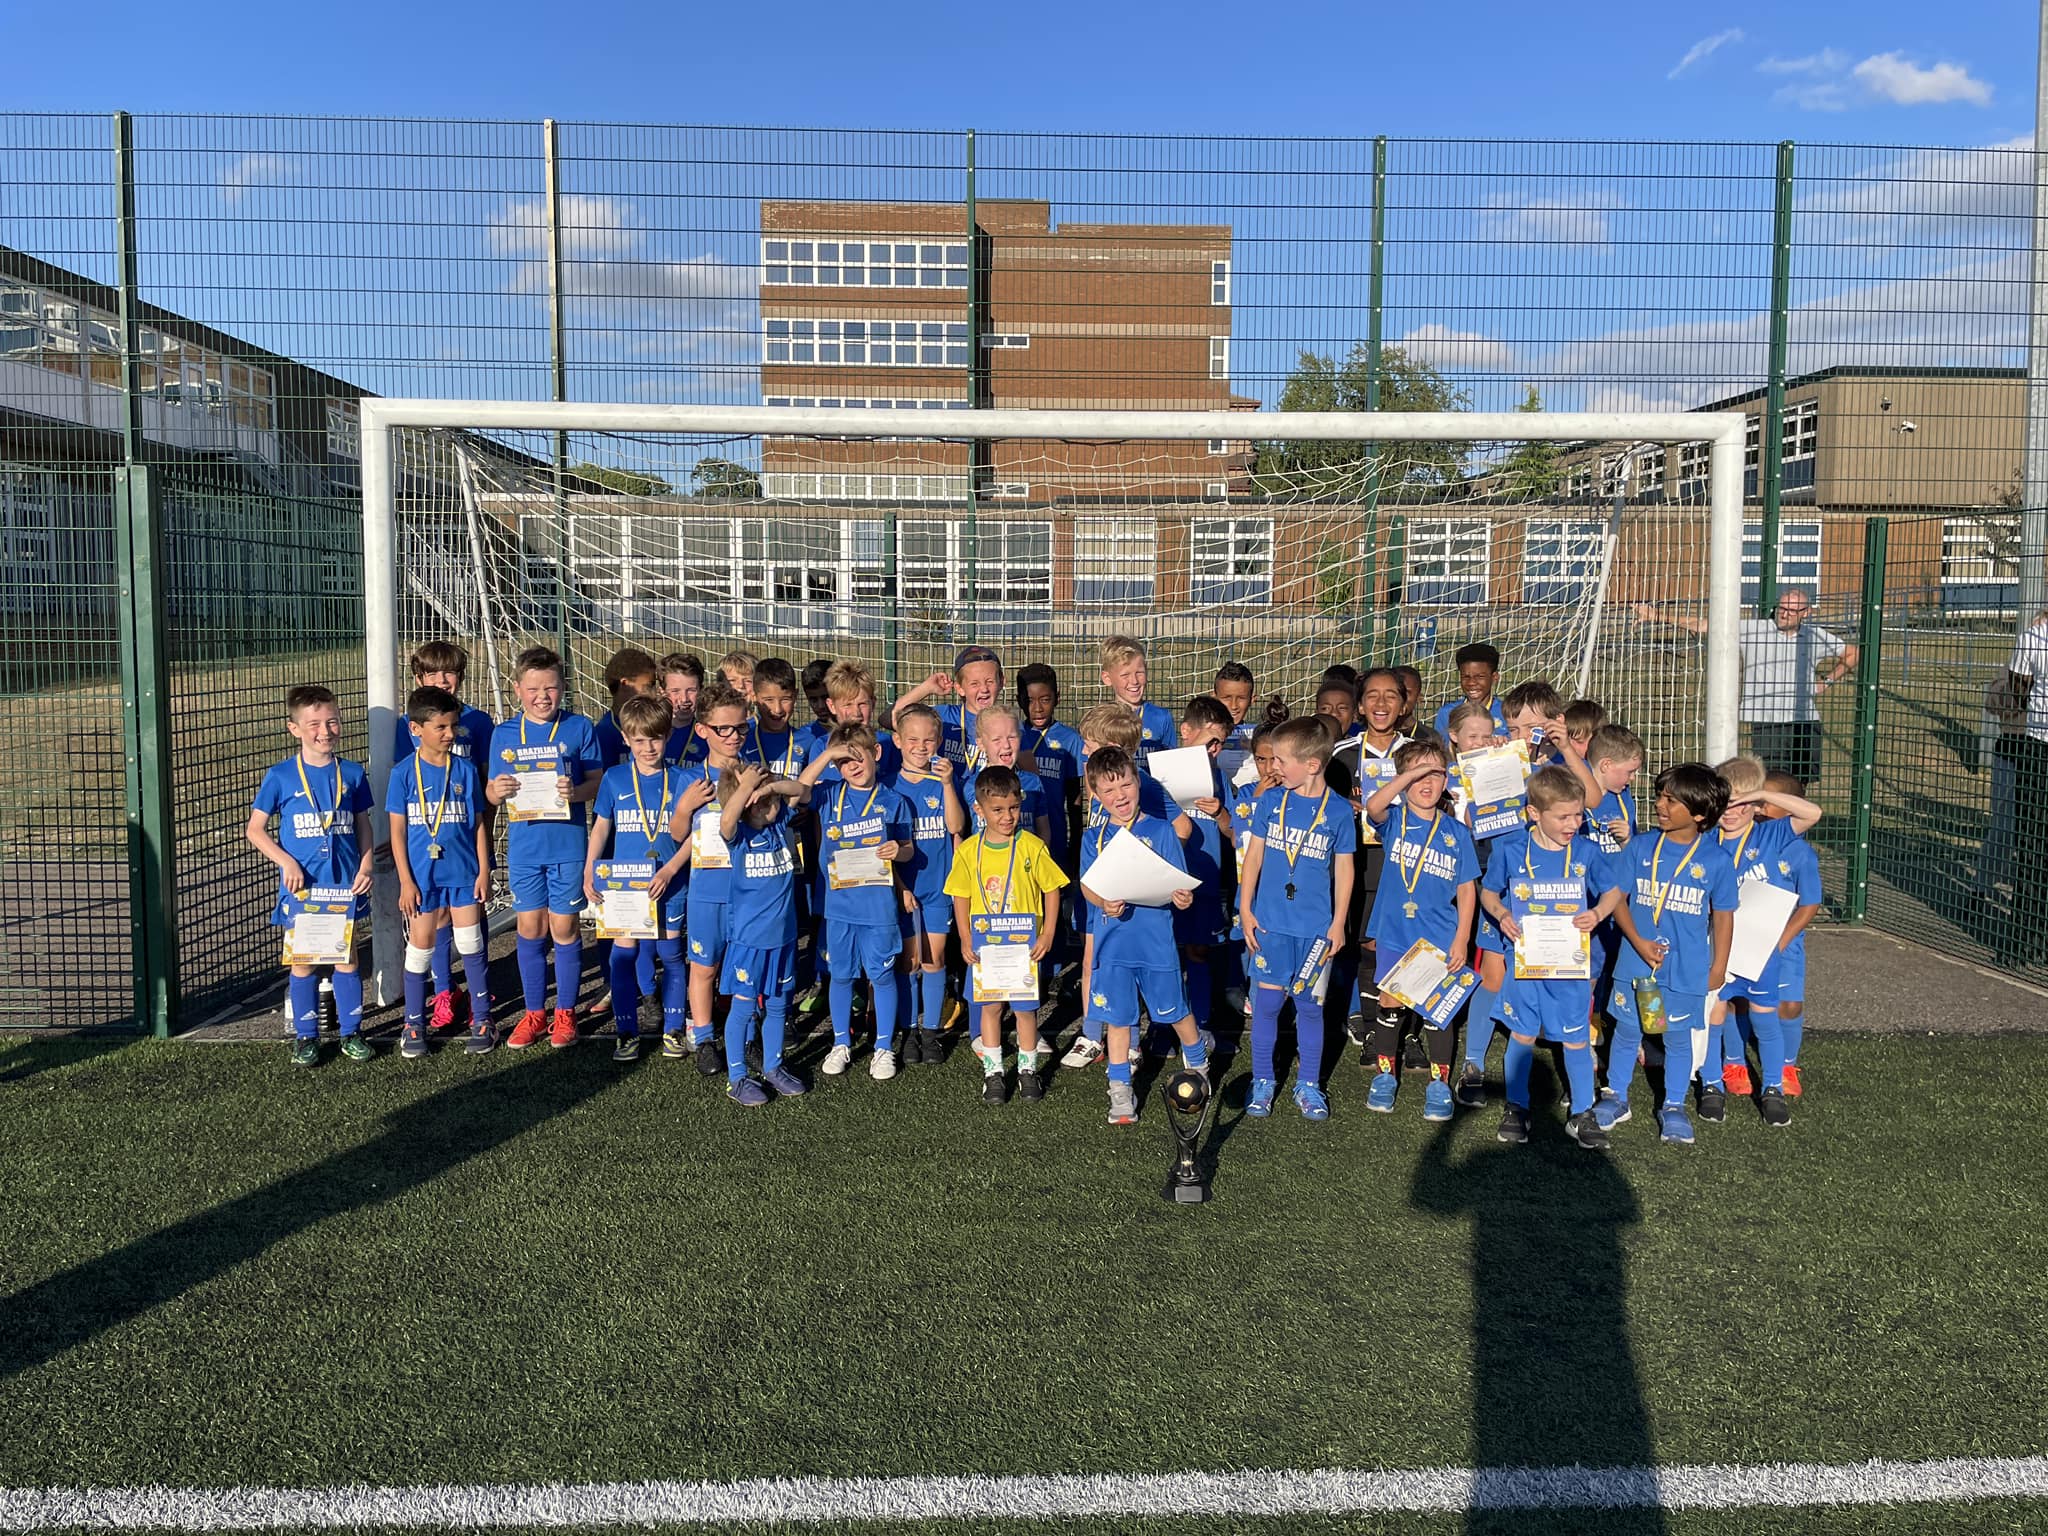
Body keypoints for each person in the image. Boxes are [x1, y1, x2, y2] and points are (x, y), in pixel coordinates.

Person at [1480, 766, 1622, 1148]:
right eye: (1563, 816)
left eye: (1578, 814)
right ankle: (1517, 1107)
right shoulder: (1511, 850)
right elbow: (1488, 893)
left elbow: (1613, 892)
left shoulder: (1587, 851)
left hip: (1570, 963)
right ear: (1534, 813)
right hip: (1525, 959)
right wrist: (1502, 914)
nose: (1573, 824)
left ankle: (1582, 1112)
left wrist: (1597, 913)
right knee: (1523, 1033)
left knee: (1576, 1038)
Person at [1598, 763, 1739, 1145]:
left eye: (1671, 800)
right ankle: (1616, 1096)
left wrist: (1719, 965)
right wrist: (1638, 941)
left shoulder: (1716, 861)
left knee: (1677, 1038)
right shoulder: (1640, 846)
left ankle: (1673, 1105)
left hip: (1686, 968)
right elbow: (1616, 898)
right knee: (1627, 1030)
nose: (1660, 805)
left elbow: (1724, 916)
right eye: (1660, 796)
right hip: (1635, 962)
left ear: (1699, 814)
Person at [1077, 746, 1213, 1126]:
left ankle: (1198, 1063)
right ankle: (1120, 1089)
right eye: (1109, 790)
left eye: (1125, 785)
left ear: (1138, 782)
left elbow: (1179, 887)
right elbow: (1087, 886)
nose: (1119, 796)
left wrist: (1183, 899)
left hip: (1155, 945)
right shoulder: (1093, 838)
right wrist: (1103, 902)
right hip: (1112, 948)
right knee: (1119, 1020)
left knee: (1175, 1011)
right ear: (1096, 795)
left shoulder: (1161, 830)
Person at [247, 685, 376, 1066]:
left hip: (342, 885)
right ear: (294, 728)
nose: (325, 731)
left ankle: (352, 1032)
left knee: (346, 958)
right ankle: (306, 1037)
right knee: (302, 961)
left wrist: (366, 864)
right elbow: (255, 830)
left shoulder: (352, 773)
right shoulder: (281, 776)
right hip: (303, 887)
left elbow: (362, 824)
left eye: (332, 721)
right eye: (314, 724)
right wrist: (286, 862)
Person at [1237, 716, 1356, 1120]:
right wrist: (1246, 908)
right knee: (1267, 1004)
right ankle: (1263, 1079)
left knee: (1309, 1007)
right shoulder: (1271, 801)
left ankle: (1308, 1083)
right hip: (1270, 925)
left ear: (1311, 765)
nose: (1274, 767)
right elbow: (1253, 857)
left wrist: (1338, 923)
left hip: (1315, 930)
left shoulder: (1338, 811)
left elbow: (1345, 870)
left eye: (1281, 760)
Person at [484, 647, 601, 1051]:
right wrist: (496, 791)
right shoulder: (504, 734)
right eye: (533, 689)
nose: (542, 696)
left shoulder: (579, 727)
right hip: (525, 851)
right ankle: (534, 1012)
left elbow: (597, 782)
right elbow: (491, 792)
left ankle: (565, 1012)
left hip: (567, 847)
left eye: (550, 688)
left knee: (564, 928)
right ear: (518, 689)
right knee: (530, 928)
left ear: (562, 687)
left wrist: (576, 791)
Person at [585, 693, 707, 1063]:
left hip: (670, 881)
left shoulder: (684, 778)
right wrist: (590, 868)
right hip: (625, 885)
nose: (648, 747)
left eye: (655, 738)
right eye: (639, 740)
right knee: (623, 957)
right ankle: (626, 1032)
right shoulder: (615, 777)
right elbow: (602, 826)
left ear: (667, 735)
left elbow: (697, 833)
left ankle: (673, 1029)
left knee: (671, 955)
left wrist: (670, 869)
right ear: (625, 738)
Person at [1362, 738, 1479, 1121]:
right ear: (1404, 779)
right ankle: (1385, 1076)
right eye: (1418, 775)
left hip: (1440, 935)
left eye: (1436, 774)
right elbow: (1373, 806)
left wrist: (1462, 938)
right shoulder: (1395, 820)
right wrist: (1411, 773)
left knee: (1437, 1011)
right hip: (1395, 932)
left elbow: (1466, 889)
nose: (1427, 783)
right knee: (1390, 1001)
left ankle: (1439, 1083)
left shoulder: (1456, 833)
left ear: (1447, 780)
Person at [1634, 589, 1856, 789]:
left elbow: (1852, 653)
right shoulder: (1755, 628)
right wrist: (1657, 616)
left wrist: (1826, 681)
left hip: (1804, 719)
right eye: (1782, 608)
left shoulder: (1815, 635)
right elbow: (1704, 625)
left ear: (1806, 613)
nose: (1784, 614)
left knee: (1800, 782)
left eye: (1791, 610)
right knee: (1770, 782)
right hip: (1767, 719)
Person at [1707, 755, 1821, 1125]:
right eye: (1725, 803)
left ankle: (1774, 1082)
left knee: (1767, 1013)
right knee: (1720, 1009)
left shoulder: (1771, 835)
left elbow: (1812, 814)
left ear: (1756, 804)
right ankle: (1717, 1079)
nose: (1731, 811)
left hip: (1765, 948)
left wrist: (1758, 795)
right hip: (1719, 946)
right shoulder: (1708, 840)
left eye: (1740, 804)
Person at [946, 765, 1068, 1104]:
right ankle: (994, 1072)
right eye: (997, 810)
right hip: (986, 948)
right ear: (979, 809)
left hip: (1023, 948)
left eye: (1013, 808)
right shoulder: (969, 850)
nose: (1007, 816)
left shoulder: (1031, 846)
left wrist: (1047, 933)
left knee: (1026, 1011)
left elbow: (1052, 889)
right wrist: (965, 938)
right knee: (991, 1009)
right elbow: (960, 896)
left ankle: (1028, 1070)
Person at [799, 723, 914, 1078]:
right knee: (841, 976)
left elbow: (909, 849)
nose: (853, 766)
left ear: (876, 753)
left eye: (858, 757)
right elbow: (798, 792)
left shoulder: (894, 801)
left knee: (882, 975)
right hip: (839, 908)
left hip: (878, 908)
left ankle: (883, 1047)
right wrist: (828, 755)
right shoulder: (829, 794)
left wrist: (898, 850)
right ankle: (840, 1043)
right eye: (844, 762)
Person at [392, 641, 495, 1035]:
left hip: (464, 850)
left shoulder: (477, 726)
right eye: (432, 673)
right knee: (429, 930)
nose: (442, 680)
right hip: (424, 857)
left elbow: (482, 798)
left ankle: (480, 1008)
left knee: (471, 931)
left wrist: (483, 860)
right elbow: (402, 809)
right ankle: (439, 996)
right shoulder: (407, 742)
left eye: (449, 672)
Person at [715, 763, 807, 1106]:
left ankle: (773, 1066)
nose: (775, 804)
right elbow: (726, 820)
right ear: (748, 805)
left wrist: (769, 787)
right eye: (765, 800)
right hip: (749, 942)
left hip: (783, 940)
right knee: (743, 1009)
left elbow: (801, 791)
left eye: (774, 799)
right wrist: (747, 788)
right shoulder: (739, 836)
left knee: (779, 1004)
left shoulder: (780, 824)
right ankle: (737, 1077)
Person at [887, 704, 967, 1064]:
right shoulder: (888, 786)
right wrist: (900, 886)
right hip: (904, 889)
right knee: (909, 962)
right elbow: (883, 848)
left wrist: (948, 784)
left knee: (934, 961)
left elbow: (955, 826)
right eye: (913, 740)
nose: (921, 747)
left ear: (939, 742)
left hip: (938, 888)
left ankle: (930, 1032)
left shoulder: (946, 781)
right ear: (897, 741)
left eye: (929, 740)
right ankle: (907, 1031)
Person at [1757, 769, 1824, 1097]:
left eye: (1767, 801)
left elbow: (1809, 905)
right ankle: (1733, 1062)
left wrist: (1782, 941)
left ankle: (1786, 1064)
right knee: (1738, 1002)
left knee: (1789, 1005)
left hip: (1785, 945)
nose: (1759, 807)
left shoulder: (1801, 852)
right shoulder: (1748, 842)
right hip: (1748, 941)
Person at [1172, 695, 1233, 1051]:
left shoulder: (1219, 777)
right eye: (1209, 740)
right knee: (1166, 957)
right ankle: (1164, 1027)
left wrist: (1220, 813)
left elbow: (1233, 833)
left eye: (1220, 743)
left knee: (1198, 952)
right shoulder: (1159, 772)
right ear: (1185, 731)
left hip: (1205, 883)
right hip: (1166, 881)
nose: (1214, 750)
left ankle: (1201, 1024)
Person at [1996, 610, 2048, 967]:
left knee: (2032, 843)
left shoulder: (2034, 636)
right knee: (2031, 844)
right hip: (2039, 745)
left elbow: (2018, 685)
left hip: (2039, 745)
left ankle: (2023, 940)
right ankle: (2027, 939)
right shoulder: (2033, 636)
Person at [895, 644, 1003, 770]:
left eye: (990, 682)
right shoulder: (944, 716)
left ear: (1001, 683)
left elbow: (1024, 766)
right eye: (975, 684)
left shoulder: (1008, 725)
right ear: (959, 688)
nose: (984, 689)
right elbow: (890, 717)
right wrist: (926, 689)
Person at [961, 705, 1053, 847]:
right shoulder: (971, 785)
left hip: (1025, 858)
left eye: (1012, 737)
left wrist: (1039, 855)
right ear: (981, 744)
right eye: (996, 740)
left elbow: (1043, 830)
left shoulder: (1033, 782)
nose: (1006, 745)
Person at [1099, 635, 1176, 765]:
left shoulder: (1162, 717)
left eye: (1139, 673)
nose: (1134, 681)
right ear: (1107, 678)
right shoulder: (1100, 720)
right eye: (1125, 675)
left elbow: (1171, 765)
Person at [592, 646, 660, 771]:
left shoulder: (656, 724)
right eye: (648, 687)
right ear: (625, 684)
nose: (654, 694)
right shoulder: (604, 734)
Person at [1431, 643, 1506, 739]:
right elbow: (1441, 747)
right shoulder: (1447, 713)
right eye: (1466, 677)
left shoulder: (1506, 713)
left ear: (1494, 677)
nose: (1471, 683)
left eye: (1480, 677)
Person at [1212, 661, 1260, 784]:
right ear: (1214, 698)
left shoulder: (1261, 736)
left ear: (1252, 699)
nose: (1234, 706)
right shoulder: (1201, 736)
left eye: (1241, 698)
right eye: (1227, 698)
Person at [659, 652, 708, 766]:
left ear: (701, 690)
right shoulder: (650, 733)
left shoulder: (709, 734)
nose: (684, 699)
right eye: (675, 691)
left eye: (691, 690)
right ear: (662, 692)